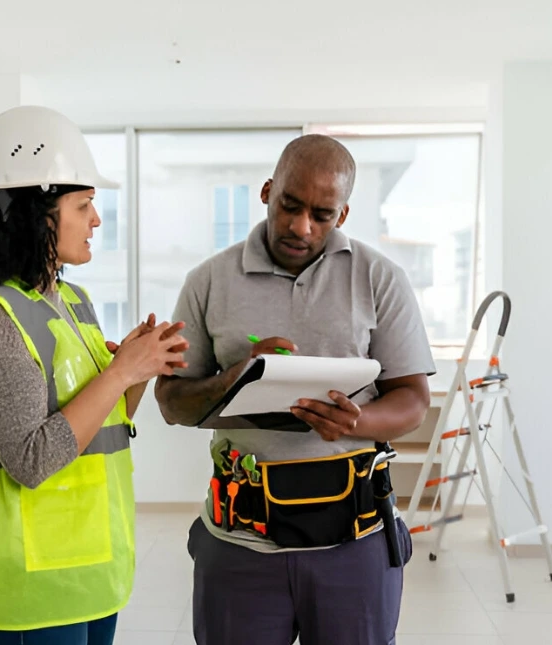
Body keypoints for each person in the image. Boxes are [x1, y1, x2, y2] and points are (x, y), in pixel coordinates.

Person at [154, 134, 436, 645]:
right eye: (290, 205)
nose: (302, 226)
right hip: (240, 543)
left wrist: (358, 422)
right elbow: (171, 402)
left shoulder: (380, 278)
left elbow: (414, 400)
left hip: (355, 544)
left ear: (343, 214)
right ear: (267, 191)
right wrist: (236, 377)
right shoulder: (208, 282)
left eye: (322, 214)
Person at [0, 105, 188, 645]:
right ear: (38, 214)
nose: (96, 220)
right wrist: (117, 374)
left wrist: (137, 370)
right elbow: (31, 459)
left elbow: (103, 424)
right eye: (84, 205)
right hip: (31, 582)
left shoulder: (74, 302)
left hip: (86, 565)